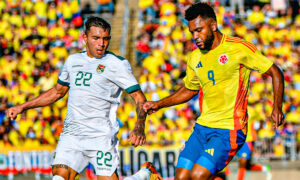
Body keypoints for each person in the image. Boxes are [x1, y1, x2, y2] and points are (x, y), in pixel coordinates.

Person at [7, 16, 161, 180]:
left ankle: (145, 174)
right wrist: (23, 106)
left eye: (105, 38)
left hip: (101, 136)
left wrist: (139, 125)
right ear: (85, 37)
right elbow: (57, 92)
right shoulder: (73, 61)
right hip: (72, 135)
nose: (101, 43)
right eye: (96, 38)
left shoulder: (117, 64)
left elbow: (139, 98)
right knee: (59, 177)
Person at [143, 2, 285, 180]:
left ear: (213, 25)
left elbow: (275, 72)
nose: (195, 36)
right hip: (202, 128)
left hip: (229, 128)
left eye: (199, 30)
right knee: (181, 177)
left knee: (198, 175)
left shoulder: (238, 48)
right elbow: (189, 89)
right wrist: (159, 104)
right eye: (192, 32)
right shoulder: (195, 57)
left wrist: (277, 107)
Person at [236, 106, 271, 180]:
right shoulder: (235, 106)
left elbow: (261, 120)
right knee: (246, 165)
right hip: (236, 139)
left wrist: (256, 132)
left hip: (248, 139)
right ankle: (264, 168)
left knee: (242, 163)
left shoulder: (252, 110)